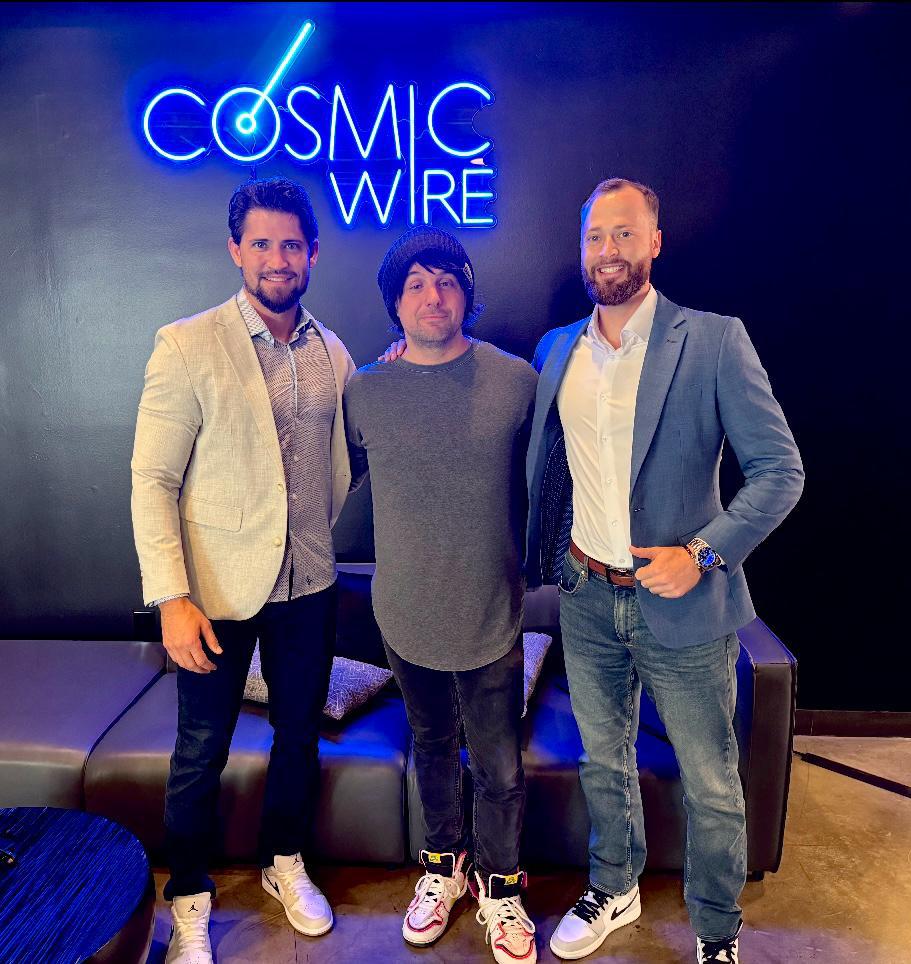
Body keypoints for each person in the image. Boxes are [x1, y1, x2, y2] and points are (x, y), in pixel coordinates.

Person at [526, 178, 803, 964]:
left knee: (710, 783)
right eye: (594, 236)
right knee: (601, 762)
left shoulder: (712, 341)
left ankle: (716, 931)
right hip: (585, 595)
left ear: (653, 242)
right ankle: (613, 887)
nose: (606, 250)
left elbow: (780, 472)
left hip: (682, 603)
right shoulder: (556, 349)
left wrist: (702, 555)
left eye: (623, 233)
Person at [131, 177, 355, 964]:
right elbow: (152, 480)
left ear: (313, 253)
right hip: (214, 593)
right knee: (201, 750)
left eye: (291, 244)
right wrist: (171, 598)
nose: (276, 258)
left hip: (309, 584)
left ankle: (283, 862)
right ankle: (189, 897)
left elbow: (350, 455)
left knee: (299, 737)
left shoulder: (333, 352)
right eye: (260, 243)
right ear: (235, 250)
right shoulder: (186, 344)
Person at [344, 226, 539, 964]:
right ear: (395, 305)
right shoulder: (365, 391)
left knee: (499, 768)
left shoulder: (515, 380)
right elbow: (325, 480)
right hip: (405, 610)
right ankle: (442, 871)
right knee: (430, 747)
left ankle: (502, 890)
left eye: (447, 281)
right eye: (416, 285)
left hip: (492, 610)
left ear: (466, 294)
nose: (434, 297)